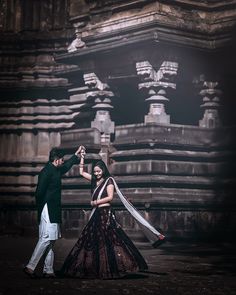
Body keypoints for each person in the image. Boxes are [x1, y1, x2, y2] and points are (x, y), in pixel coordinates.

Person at [60, 148, 165, 279]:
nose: (97, 174)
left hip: (105, 214)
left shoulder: (109, 181)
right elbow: (81, 172)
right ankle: (94, 268)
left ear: (103, 170)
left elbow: (110, 197)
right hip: (97, 214)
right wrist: (82, 157)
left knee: (110, 240)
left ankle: (119, 266)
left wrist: (95, 202)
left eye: (99, 171)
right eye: (95, 172)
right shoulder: (94, 180)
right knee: (91, 241)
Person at [23, 146, 84, 279]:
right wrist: (42, 207)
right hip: (47, 208)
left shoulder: (55, 169)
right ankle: (30, 266)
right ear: (56, 160)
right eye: (62, 159)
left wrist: (76, 155)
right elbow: (39, 193)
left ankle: (48, 270)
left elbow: (67, 166)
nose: (63, 161)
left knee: (51, 240)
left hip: (53, 208)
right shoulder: (46, 172)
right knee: (46, 238)